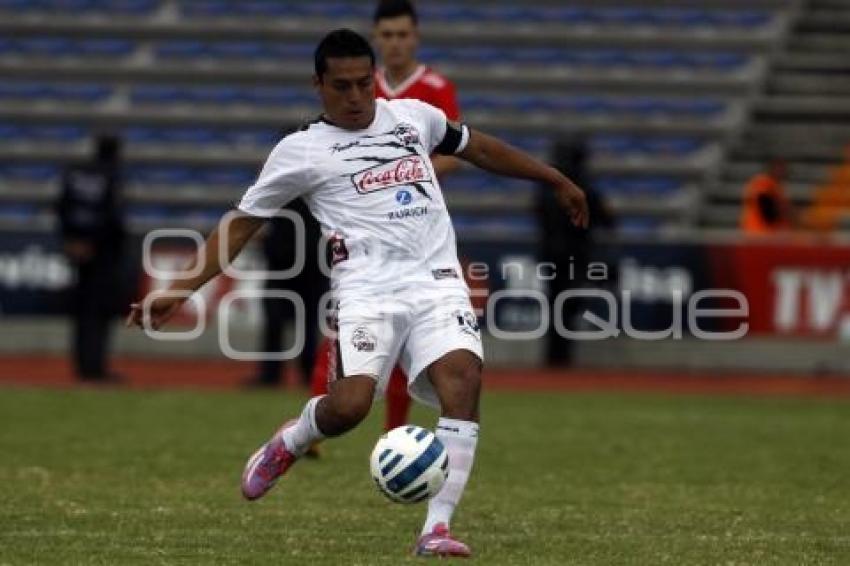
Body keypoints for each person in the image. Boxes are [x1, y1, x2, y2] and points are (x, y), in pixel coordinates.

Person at [127, 29, 587, 558]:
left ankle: (435, 529)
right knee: (349, 408)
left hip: (436, 283)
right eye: (341, 86)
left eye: (364, 84)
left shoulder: (413, 116)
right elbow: (240, 225)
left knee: (464, 380)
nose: (355, 97)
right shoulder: (299, 151)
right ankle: (291, 441)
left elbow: (478, 147)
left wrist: (555, 179)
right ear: (318, 85)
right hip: (367, 292)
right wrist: (181, 289)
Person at [310, 0, 463, 433]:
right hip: (364, 235)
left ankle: (394, 431)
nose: (395, 44)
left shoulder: (433, 88)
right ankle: (318, 417)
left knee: (408, 343)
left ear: (415, 37)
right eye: (388, 35)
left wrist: (398, 175)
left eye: (403, 35)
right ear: (376, 38)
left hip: (417, 234)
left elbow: (457, 153)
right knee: (345, 327)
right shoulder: (358, 86)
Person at [537, 137, 614, 366]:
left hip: (553, 254)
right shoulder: (582, 189)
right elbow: (607, 220)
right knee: (566, 306)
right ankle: (560, 358)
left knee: (558, 307)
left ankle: (556, 357)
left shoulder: (547, 188)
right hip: (574, 256)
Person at [57, 134, 126, 383]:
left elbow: (62, 206)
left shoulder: (76, 174)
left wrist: (71, 239)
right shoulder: (111, 176)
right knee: (100, 312)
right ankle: (95, 366)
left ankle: (82, 364)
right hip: (104, 255)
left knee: (82, 311)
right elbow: (113, 217)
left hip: (79, 252)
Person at [244, 198, 327, 388]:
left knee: (305, 325)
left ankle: (302, 375)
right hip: (290, 264)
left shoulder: (286, 182)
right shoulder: (311, 185)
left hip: (308, 265)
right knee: (280, 322)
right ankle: (274, 374)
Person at [740, 158, 793, 234]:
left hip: (765, 233)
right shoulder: (764, 182)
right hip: (761, 233)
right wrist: (784, 213)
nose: (783, 172)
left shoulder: (776, 185)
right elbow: (765, 204)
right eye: (780, 168)